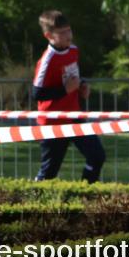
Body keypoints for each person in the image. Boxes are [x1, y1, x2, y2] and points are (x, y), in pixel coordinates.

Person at [32, 10, 106, 183]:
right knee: (49, 173)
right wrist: (65, 91)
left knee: (97, 156)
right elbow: (37, 93)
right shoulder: (47, 60)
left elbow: (73, 77)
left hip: (74, 116)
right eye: (62, 32)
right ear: (49, 35)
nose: (69, 35)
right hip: (53, 121)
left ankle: (85, 194)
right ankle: (33, 202)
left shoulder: (73, 51)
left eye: (69, 30)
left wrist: (82, 86)